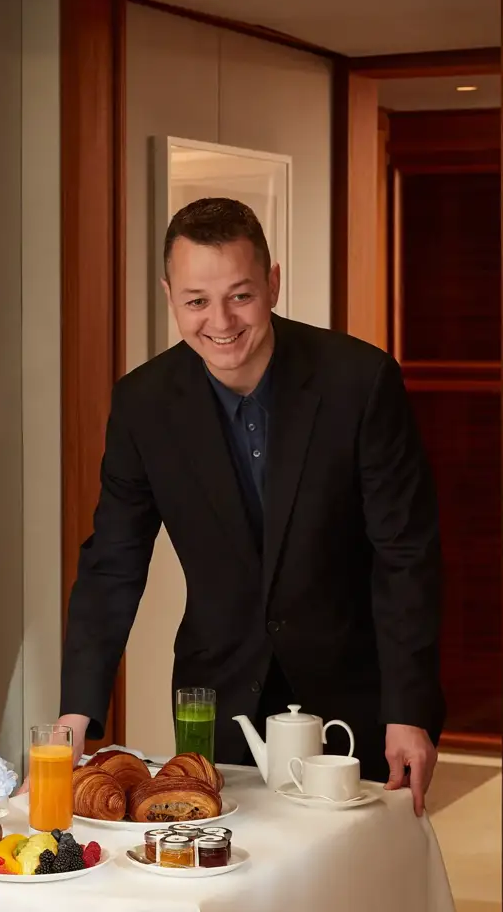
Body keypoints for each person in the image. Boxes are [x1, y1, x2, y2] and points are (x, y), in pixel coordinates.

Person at [56, 197, 444, 816]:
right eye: (196, 301)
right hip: (218, 698)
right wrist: (76, 712)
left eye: (240, 295)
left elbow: (406, 556)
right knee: (223, 864)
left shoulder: (359, 381)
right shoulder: (143, 404)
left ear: (273, 283)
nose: (220, 321)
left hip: (356, 697)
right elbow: (113, 561)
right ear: (169, 295)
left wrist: (408, 709)